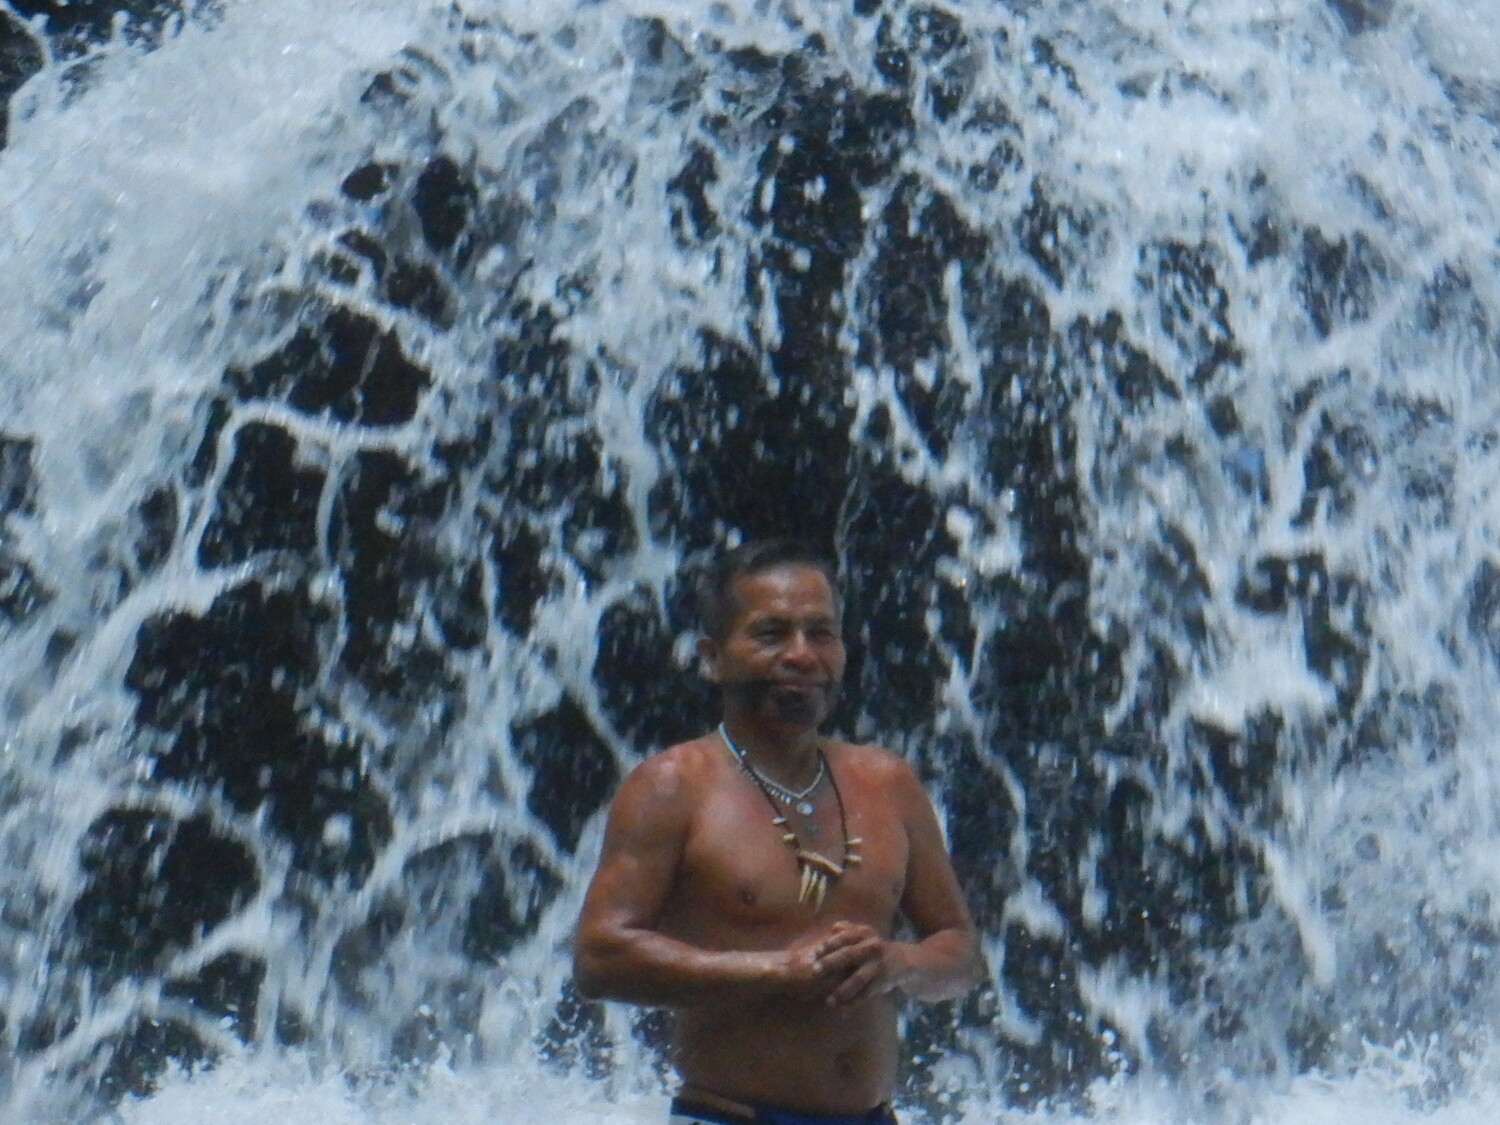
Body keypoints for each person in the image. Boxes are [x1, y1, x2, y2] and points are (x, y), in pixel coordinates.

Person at [573, 539, 985, 1125]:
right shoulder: (672, 786)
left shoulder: (888, 783)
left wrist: (896, 964)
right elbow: (600, 957)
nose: (802, 655)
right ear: (713, 657)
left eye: (821, 634)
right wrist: (774, 970)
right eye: (771, 634)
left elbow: (961, 952)